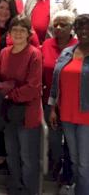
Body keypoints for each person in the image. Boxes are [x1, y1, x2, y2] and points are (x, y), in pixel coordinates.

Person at [0, 15, 42, 195]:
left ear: (28, 33)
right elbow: (0, 81)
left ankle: (30, 190)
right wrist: (6, 93)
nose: (18, 34)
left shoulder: (34, 54)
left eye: (22, 30)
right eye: (14, 30)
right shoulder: (4, 53)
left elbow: (33, 88)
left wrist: (8, 93)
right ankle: (15, 187)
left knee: (28, 157)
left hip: (27, 113)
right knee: (12, 153)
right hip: (8, 113)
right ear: (9, 33)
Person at [49, 14, 89, 195]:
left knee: (83, 164)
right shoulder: (67, 52)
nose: (84, 31)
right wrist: (53, 109)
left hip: (86, 116)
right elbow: (56, 83)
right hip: (66, 114)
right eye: (80, 28)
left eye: (87, 28)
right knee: (74, 159)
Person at [42, 10, 78, 180]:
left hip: (74, 102)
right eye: (55, 24)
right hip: (50, 100)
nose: (58, 28)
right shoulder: (47, 44)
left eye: (63, 24)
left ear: (72, 27)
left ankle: (70, 174)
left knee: (72, 142)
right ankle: (56, 168)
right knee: (55, 140)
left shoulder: (80, 45)